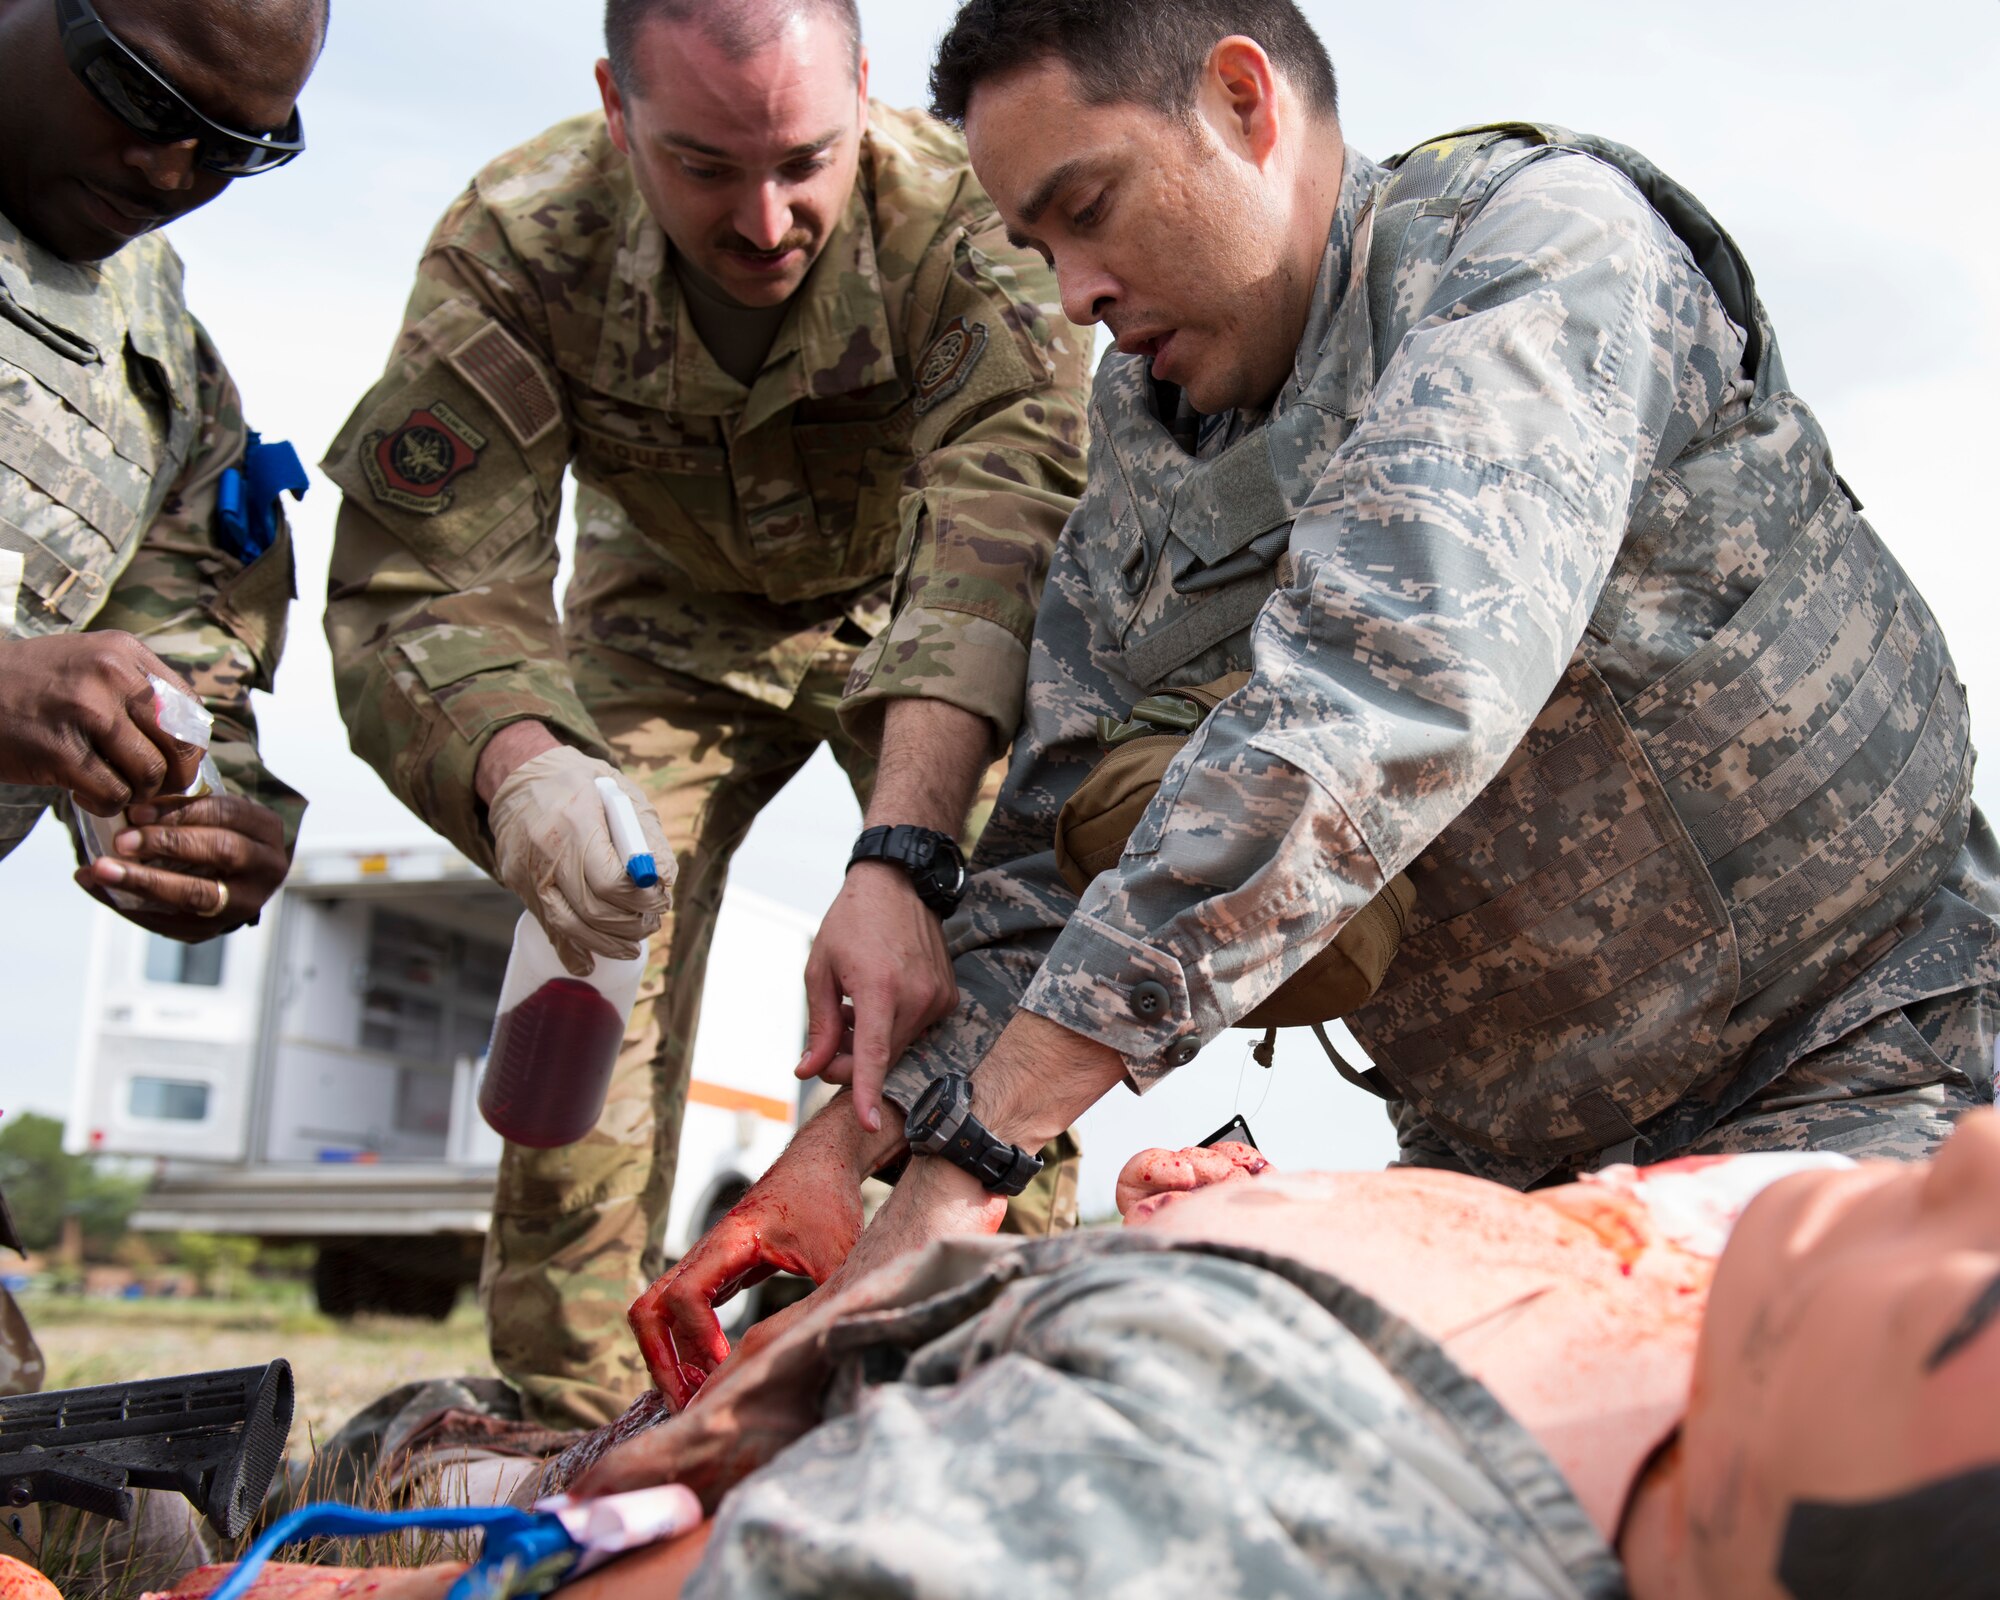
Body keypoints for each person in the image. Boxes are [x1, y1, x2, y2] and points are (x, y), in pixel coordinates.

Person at [632, 0, 2000, 1406]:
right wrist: (844, 1154)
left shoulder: (1534, 251)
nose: (1073, 297)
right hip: (1508, 1161)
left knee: (1792, 1464)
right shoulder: (1154, 437)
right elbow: (1048, 860)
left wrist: (972, 1161)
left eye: (1087, 208)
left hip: (1859, 1064)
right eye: (1039, 251)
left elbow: (1384, 692)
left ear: (1243, 102)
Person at [321, 0, 1092, 1429]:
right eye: (702, 167)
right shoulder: (520, 241)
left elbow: (1005, 529)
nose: (764, 218)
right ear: (617, 107)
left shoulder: (968, 223)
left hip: (919, 618)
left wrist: (908, 855)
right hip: (657, 624)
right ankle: (573, 1426)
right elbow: (424, 573)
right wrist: (521, 764)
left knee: (997, 939)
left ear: (865, 88)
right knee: (592, 948)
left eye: (806, 159)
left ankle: (974, 1375)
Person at [159, 1111, 2000, 1598]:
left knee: (408, 1461)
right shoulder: (1775, 1303)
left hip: (514, 1535)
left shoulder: (1195, 1540)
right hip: (879, 1369)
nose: (1980, 1154)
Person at [0, 0, 321, 1581]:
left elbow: (195, 598)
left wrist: (209, 815)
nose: (177, 163)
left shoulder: (150, 329)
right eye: (138, 93)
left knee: (81, 1532)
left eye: (245, 146)